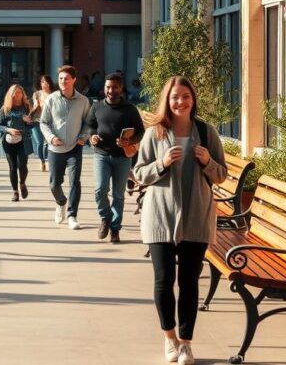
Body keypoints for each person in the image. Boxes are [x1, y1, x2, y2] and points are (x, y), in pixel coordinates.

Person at [132, 76, 227, 364]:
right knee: (163, 279)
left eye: (185, 96)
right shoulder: (155, 134)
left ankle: (186, 343)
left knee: (188, 282)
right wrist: (161, 163)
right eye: (175, 97)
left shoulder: (206, 132)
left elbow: (221, 174)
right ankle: (169, 338)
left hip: (196, 216)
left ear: (193, 99)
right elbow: (138, 173)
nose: (180, 102)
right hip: (160, 215)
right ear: (167, 100)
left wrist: (207, 161)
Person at [87, 72, 145, 243]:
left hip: (122, 158)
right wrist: (93, 136)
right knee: (99, 189)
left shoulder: (130, 109)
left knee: (118, 196)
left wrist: (129, 141)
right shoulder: (97, 107)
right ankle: (105, 218)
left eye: (114, 87)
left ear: (121, 89)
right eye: (107, 87)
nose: (110, 90)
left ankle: (115, 229)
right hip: (101, 155)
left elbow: (140, 132)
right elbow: (90, 126)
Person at [40, 65, 92, 230]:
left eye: (66, 78)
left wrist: (83, 138)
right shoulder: (51, 99)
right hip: (55, 148)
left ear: (73, 80)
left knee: (75, 182)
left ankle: (72, 215)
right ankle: (61, 202)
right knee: (54, 184)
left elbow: (88, 123)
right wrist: (51, 137)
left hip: (74, 148)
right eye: (61, 78)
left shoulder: (83, 101)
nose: (63, 81)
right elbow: (44, 122)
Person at [0, 84, 35, 202]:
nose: (17, 94)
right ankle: (15, 191)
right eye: (15, 92)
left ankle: (22, 183)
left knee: (22, 166)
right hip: (9, 141)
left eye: (19, 92)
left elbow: (33, 124)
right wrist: (9, 130)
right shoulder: (5, 108)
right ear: (11, 94)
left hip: (23, 140)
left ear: (23, 94)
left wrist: (28, 121)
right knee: (13, 167)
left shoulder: (26, 107)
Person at [30, 75, 54, 172]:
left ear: (49, 83)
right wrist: (35, 107)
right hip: (36, 121)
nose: (45, 84)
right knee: (40, 143)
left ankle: (48, 160)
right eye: (42, 82)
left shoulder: (54, 94)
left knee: (47, 143)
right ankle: (42, 161)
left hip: (49, 123)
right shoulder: (37, 94)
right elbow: (35, 105)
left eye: (46, 82)